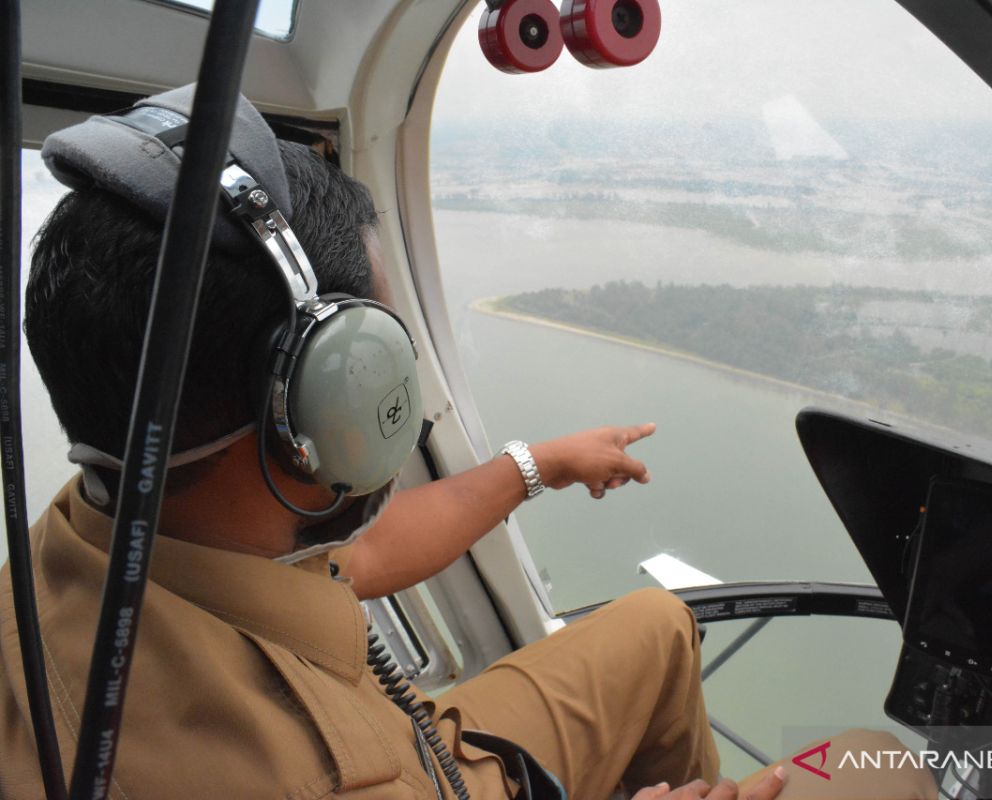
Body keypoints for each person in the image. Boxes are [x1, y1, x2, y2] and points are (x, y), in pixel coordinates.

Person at [0, 89, 935, 800]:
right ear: (316, 408)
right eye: (385, 363)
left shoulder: (109, 532)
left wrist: (538, 466)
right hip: (407, 775)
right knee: (881, 771)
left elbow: (357, 556)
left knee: (658, 628)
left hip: (413, 744)